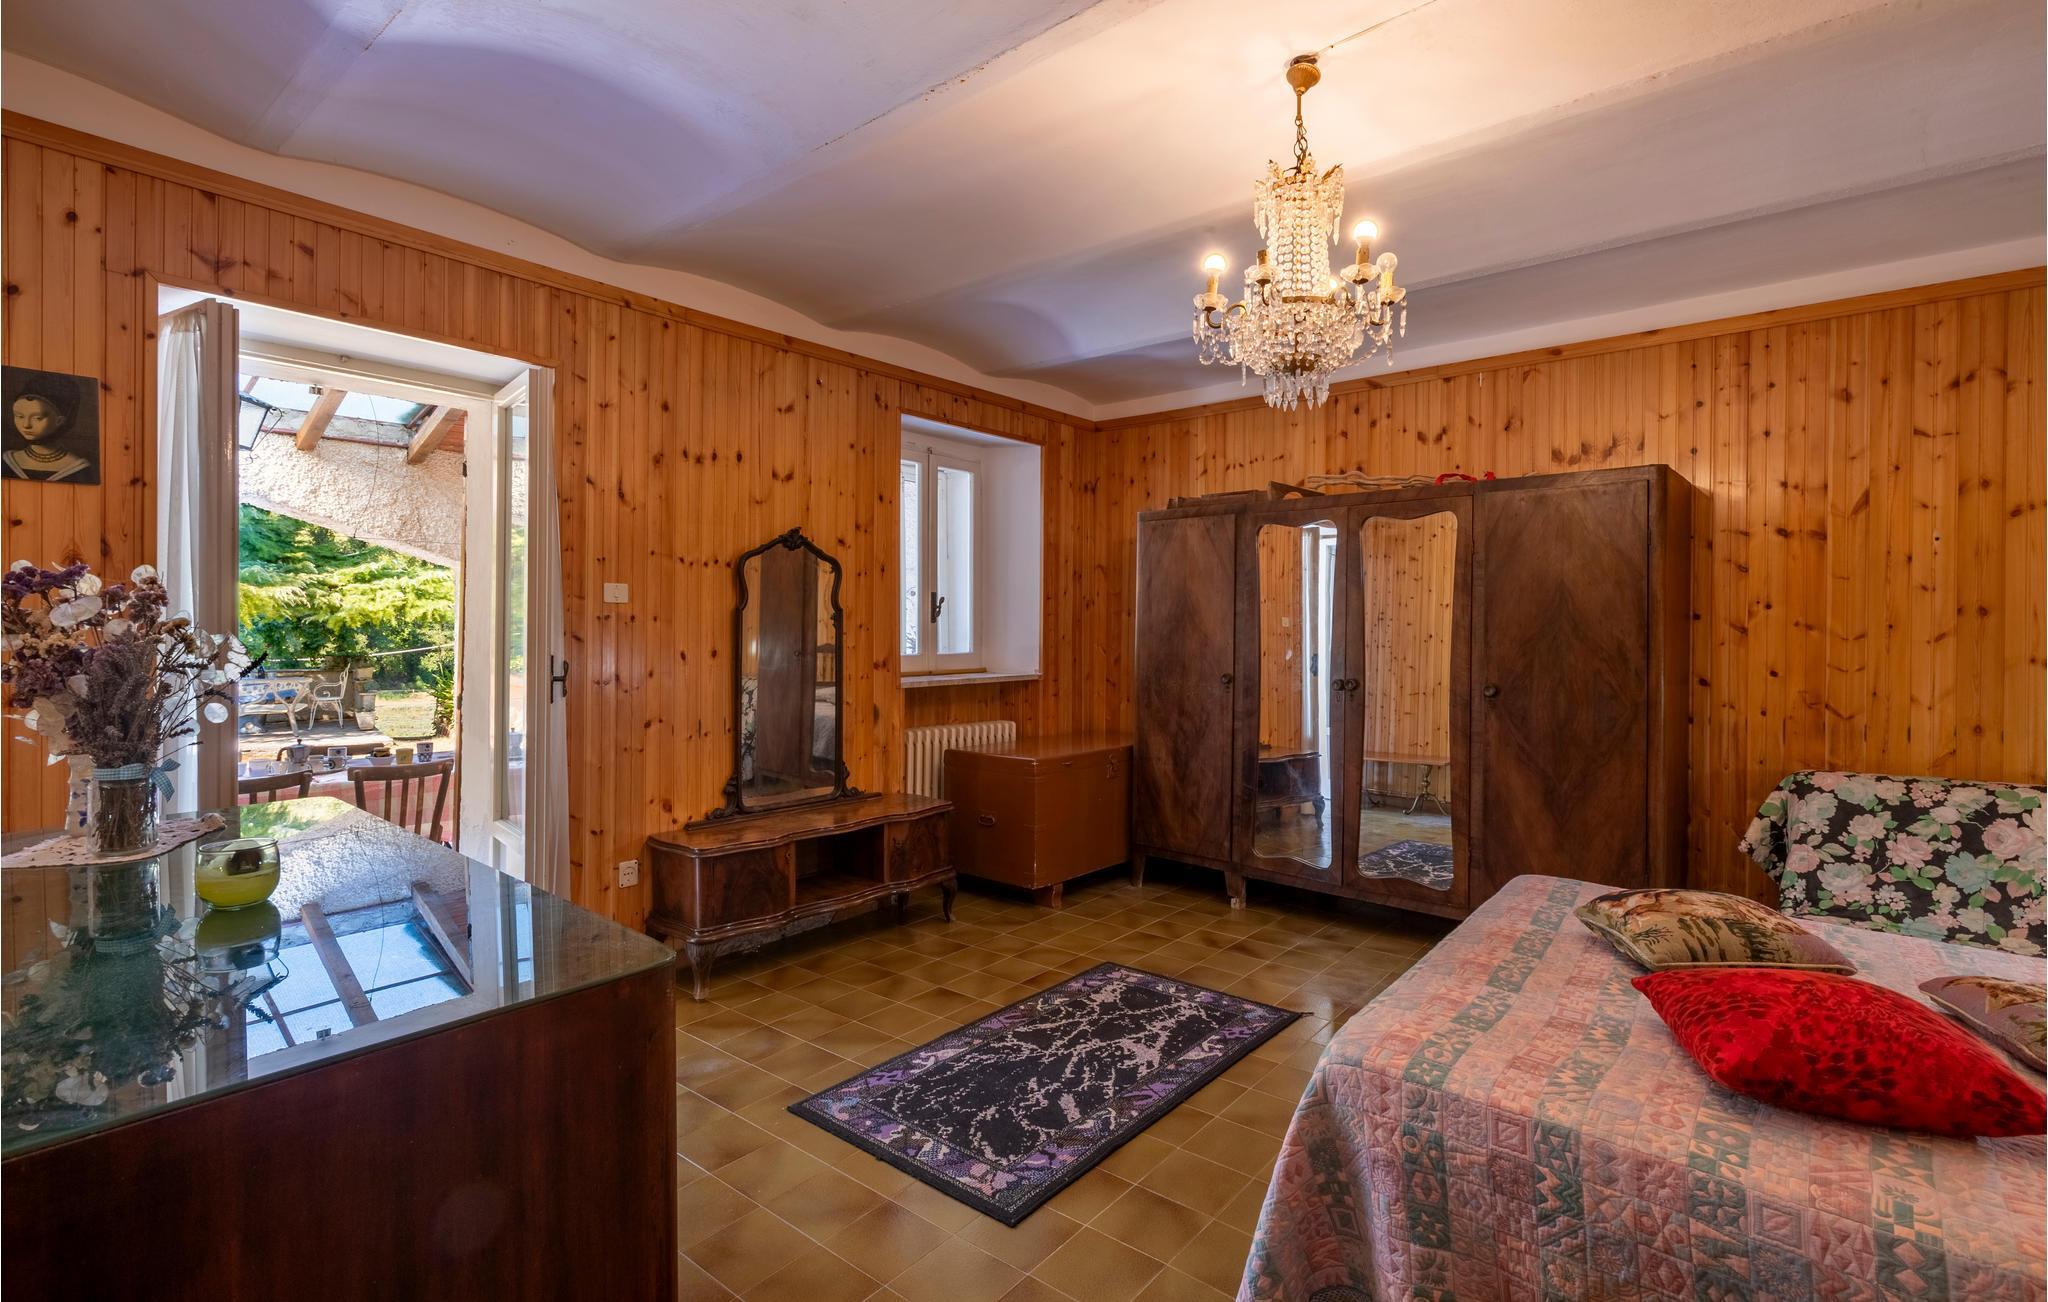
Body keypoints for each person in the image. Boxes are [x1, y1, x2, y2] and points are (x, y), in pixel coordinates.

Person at [3, 376, 93, 482]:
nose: (26, 425)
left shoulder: (78, 467)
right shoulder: (7, 460)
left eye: (37, 418)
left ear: (60, 420)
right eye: (19, 416)